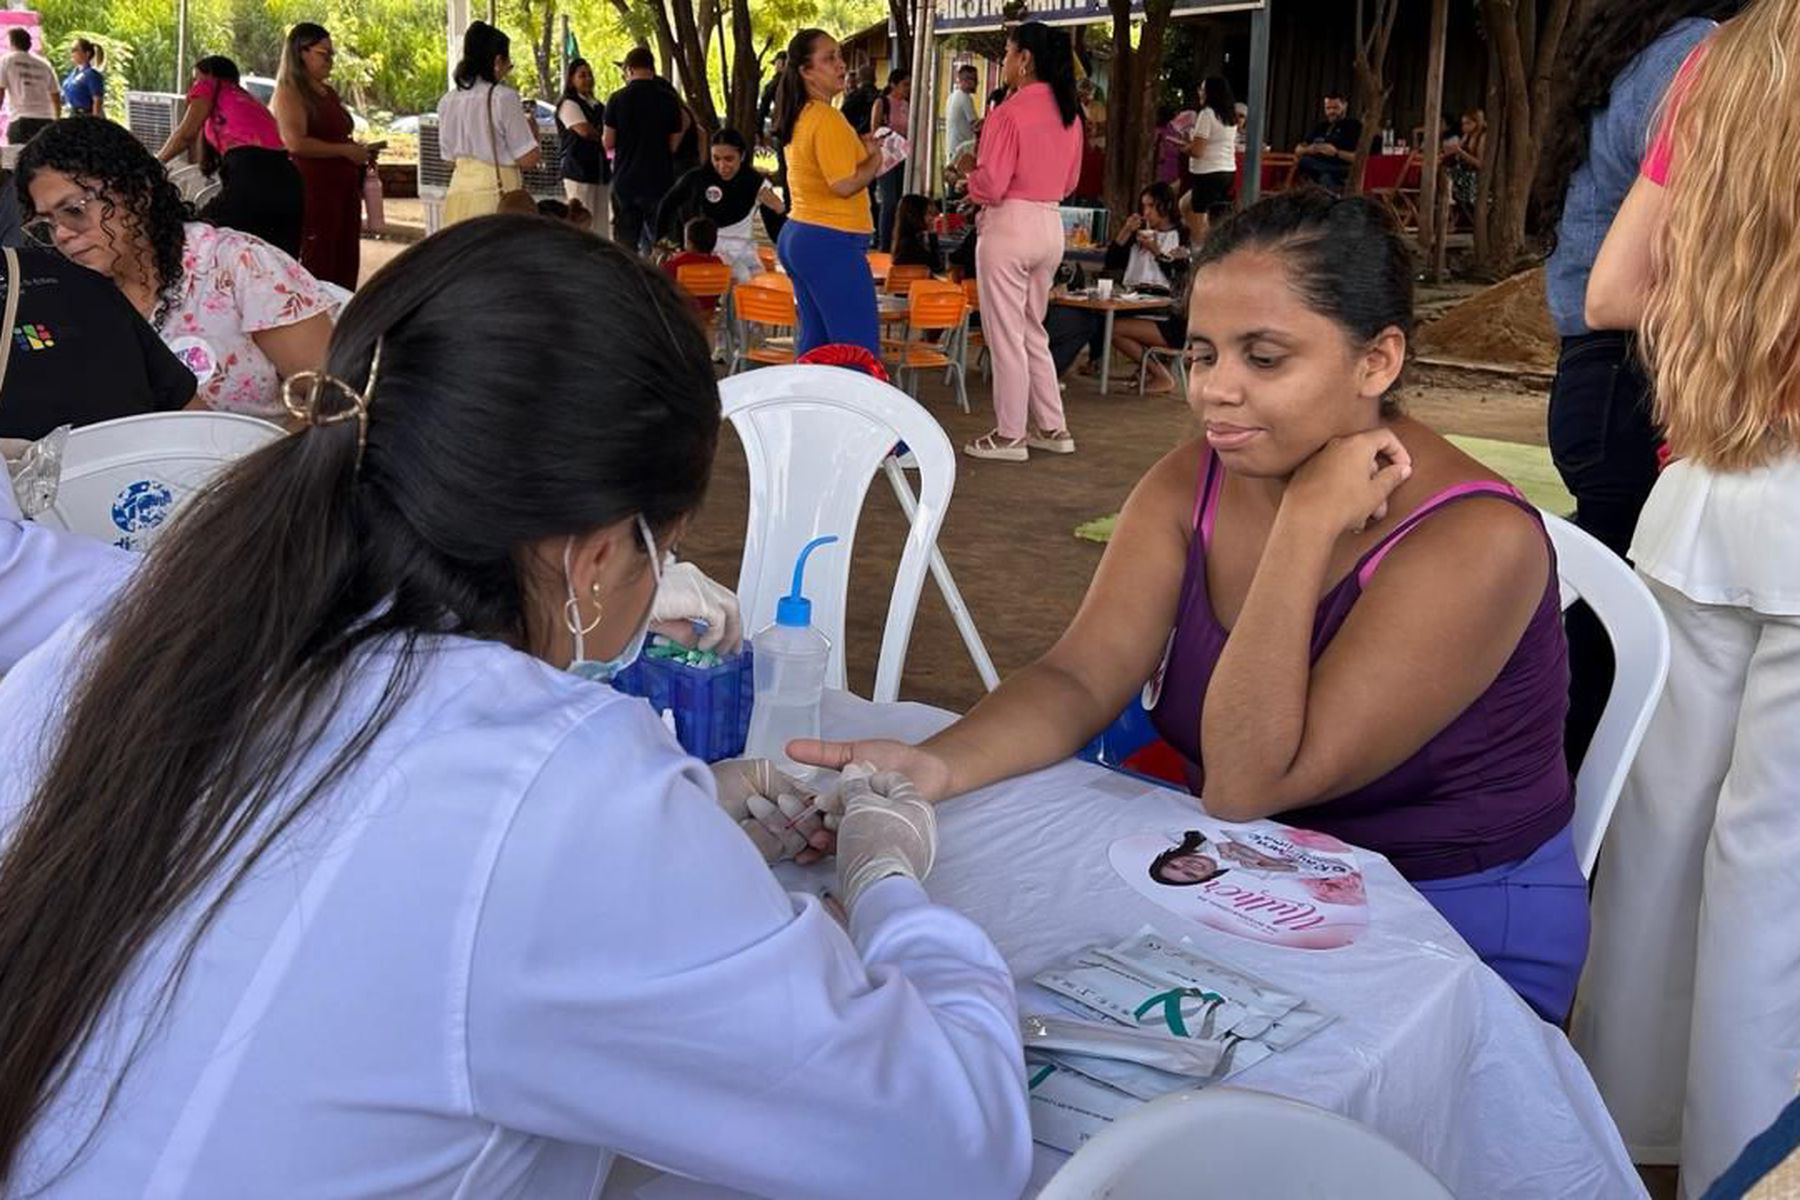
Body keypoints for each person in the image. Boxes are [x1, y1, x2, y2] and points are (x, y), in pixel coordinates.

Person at [0, 217, 1033, 1200]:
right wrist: (888, 884)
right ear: (596, 553)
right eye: (664, 548)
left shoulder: (132, 640)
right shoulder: (552, 787)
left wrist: (694, 816)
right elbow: (947, 1148)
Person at [794, 191, 1589, 1024]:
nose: (1215, 391)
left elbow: (1248, 781)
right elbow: (1080, 676)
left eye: (1265, 359)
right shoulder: (1194, 480)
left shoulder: (1473, 540)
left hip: (1449, 932)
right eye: (1204, 354)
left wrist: (1304, 525)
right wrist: (937, 767)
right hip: (1244, 880)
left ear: (1377, 362)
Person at [1575, 0, 1800, 1188]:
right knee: (1774, 868)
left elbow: (1611, 290)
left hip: (1705, 491)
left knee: (1658, 839)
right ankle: (1738, 1161)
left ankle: (1620, 1130)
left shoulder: (1727, 65)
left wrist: (1740, 317)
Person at [1532, 0, 1728, 765]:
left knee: (1604, 615)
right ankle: (1573, 800)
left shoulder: (1641, 51)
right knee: (1622, 636)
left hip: (1594, 377)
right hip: (1636, 374)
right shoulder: (1701, 55)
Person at [20, 118, 333, 420]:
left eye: (74, 210)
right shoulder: (73, 295)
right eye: (47, 223)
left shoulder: (239, 266)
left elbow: (333, 400)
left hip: (268, 452)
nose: (61, 233)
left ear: (138, 192)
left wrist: (272, 454)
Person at [955, 21, 1084, 463]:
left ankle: (1010, 434)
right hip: (1050, 223)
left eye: (1008, 53)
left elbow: (991, 184)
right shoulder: (1069, 113)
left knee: (1006, 335)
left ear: (1025, 59)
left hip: (1009, 225)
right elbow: (1069, 181)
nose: (1005, 62)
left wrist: (967, 175)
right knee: (1032, 330)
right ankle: (1053, 426)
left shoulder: (1007, 113)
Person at [0, 245, 196, 439]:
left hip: (140, 448)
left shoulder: (76, 279)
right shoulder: (74, 277)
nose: (61, 234)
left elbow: (179, 399)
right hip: (142, 449)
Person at [768, 29, 883, 358]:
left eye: (840, 56)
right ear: (806, 71)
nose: (841, 65)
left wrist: (862, 151)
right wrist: (875, 158)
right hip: (830, 238)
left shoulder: (803, 114)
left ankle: (809, 394)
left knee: (817, 347)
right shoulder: (826, 117)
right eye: (829, 58)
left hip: (803, 234)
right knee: (857, 352)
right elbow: (843, 184)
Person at [156, 55, 303, 258]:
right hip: (288, 180)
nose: (194, 84)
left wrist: (155, 162)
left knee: (197, 238)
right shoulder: (245, 98)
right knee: (275, 260)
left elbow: (185, 135)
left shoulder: (208, 85)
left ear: (209, 75)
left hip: (253, 177)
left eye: (196, 77)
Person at [273, 22, 376, 290]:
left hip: (343, 188)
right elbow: (295, 142)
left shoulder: (327, 91)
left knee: (345, 257)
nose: (330, 61)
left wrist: (354, 150)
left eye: (332, 54)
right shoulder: (290, 91)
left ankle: (343, 309)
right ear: (301, 53)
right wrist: (344, 150)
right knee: (319, 258)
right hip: (315, 188)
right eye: (323, 54)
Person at [436, 22, 542, 229]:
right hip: (496, 196)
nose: (507, 70)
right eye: (508, 64)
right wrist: (533, 133)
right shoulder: (503, 98)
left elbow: (448, 159)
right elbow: (528, 159)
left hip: (457, 194)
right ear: (497, 61)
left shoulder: (447, 101)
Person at [654, 128, 784, 281]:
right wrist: (660, 242)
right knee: (739, 275)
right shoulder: (697, 178)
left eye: (729, 159)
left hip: (743, 251)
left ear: (742, 156)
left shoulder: (757, 184)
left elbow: (775, 231)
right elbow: (667, 205)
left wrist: (780, 209)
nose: (722, 166)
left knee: (753, 277)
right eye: (716, 158)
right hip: (704, 253)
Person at [605, 48, 688, 253]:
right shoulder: (668, 99)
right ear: (652, 69)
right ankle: (659, 271)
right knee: (661, 242)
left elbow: (608, 142)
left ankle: (626, 273)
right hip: (659, 179)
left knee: (626, 244)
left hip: (626, 180)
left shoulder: (617, 99)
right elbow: (673, 144)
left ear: (629, 69)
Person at [555, 57, 609, 233]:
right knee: (582, 223)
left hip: (600, 172)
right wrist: (604, 135)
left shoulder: (598, 105)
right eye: (582, 75)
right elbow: (584, 130)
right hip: (578, 171)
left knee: (601, 223)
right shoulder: (569, 103)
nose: (588, 79)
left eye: (589, 75)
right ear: (571, 80)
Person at [1186, 76, 1238, 236]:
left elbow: (1197, 151)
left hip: (1206, 172)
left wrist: (1185, 147)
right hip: (1227, 170)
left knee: (1199, 216)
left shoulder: (1206, 115)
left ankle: (1198, 246)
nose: (1199, 92)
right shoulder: (1230, 116)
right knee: (1186, 206)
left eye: (1202, 89)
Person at [870, 68, 911, 253]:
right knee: (889, 200)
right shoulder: (882, 103)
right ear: (893, 85)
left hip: (902, 156)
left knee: (900, 200)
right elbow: (875, 130)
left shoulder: (906, 105)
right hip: (886, 156)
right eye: (904, 85)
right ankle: (884, 242)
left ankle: (897, 240)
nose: (907, 89)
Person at [0, 29, 59, 145]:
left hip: (21, 120)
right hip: (46, 120)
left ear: (12, 42)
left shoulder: (6, 61)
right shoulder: (44, 64)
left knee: (20, 154)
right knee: (44, 155)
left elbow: (0, 92)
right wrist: (56, 120)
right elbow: (56, 95)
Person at [1293, 95, 1361, 192]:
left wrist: (1336, 152)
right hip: (1317, 167)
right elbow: (1298, 149)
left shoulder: (1354, 126)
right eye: (1328, 108)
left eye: (1335, 108)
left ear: (1344, 106)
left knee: (1317, 172)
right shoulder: (1321, 127)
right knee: (1312, 167)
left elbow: (1360, 158)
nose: (1331, 111)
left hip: (1341, 167)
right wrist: (1311, 149)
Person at [662, 215, 725, 313]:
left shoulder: (678, 263)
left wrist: (661, 259)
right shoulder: (718, 263)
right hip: (708, 315)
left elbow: (659, 281)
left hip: (681, 315)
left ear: (689, 243)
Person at [1439, 109, 1486, 222]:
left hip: (1475, 177)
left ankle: (1448, 199)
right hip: (1463, 172)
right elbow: (1455, 150)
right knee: (1441, 169)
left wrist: (1461, 153)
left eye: (1468, 123)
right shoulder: (1467, 136)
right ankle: (1446, 199)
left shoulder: (1482, 138)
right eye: (1463, 123)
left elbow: (1480, 164)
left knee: (1446, 173)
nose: (1464, 127)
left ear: (1476, 123)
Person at [1148, 831, 1226, 886]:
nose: (1187, 867)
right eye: (1190, 874)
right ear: (1207, 877)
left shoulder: (1179, 833)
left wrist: (1220, 840)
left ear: (1169, 857)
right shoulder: (1232, 865)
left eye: (1174, 866)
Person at [890, 193, 942, 272]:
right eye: (928, 213)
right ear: (916, 215)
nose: (932, 218)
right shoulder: (911, 247)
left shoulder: (903, 241)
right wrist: (932, 234)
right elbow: (936, 265)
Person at [945, 63, 979, 168]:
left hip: (952, 148)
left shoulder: (952, 96)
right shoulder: (965, 98)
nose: (977, 83)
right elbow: (975, 125)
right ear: (966, 80)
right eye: (974, 79)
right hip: (961, 150)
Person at [59, 38, 103, 118]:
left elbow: (97, 101)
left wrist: (95, 121)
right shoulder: (73, 74)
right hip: (73, 115)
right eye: (71, 50)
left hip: (87, 116)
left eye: (75, 50)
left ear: (87, 53)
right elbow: (64, 96)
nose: (72, 53)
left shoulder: (92, 75)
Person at [756, 50, 785, 144]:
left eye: (775, 64)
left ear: (780, 63)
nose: (775, 68)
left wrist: (758, 131)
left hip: (782, 127)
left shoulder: (775, 83)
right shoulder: (802, 81)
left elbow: (764, 106)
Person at [840, 67, 877, 135]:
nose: (850, 85)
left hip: (855, 136)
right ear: (875, 79)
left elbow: (842, 119)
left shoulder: (853, 97)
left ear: (858, 79)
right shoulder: (882, 96)